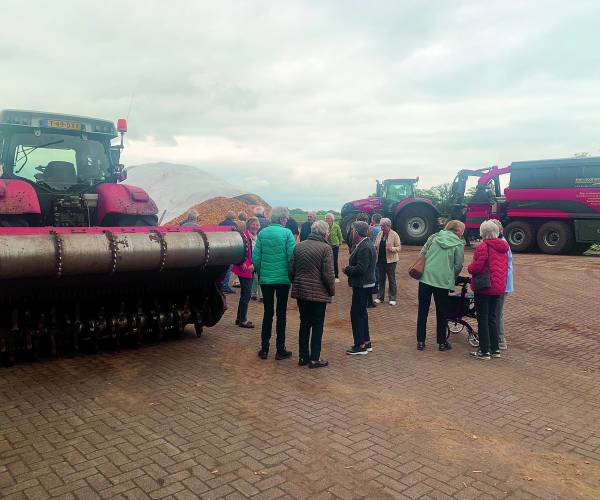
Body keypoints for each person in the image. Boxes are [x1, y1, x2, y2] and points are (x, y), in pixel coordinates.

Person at [289, 220, 335, 368]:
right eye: (327, 231)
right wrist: (331, 290)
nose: (328, 234)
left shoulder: (299, 246)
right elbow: (328, 274)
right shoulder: (325, 248)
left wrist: (296, 282)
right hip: (318, 293)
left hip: (301, 292)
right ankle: (315, 358)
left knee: (304, 323)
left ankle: (303, 357)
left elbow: (291, 271)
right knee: (317, 325)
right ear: (324, 232)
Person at [253, 206, 296, 360]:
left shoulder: (262, 233)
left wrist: (261, 272)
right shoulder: (287, 233)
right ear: (281, 219)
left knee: (268, 313)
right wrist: (291, 276)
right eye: (285, 218)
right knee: (281, 314)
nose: (286, 221)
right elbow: (292, 257)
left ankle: (264, 349)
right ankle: (280, 349)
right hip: (283, 280)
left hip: (266, 280)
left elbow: (256, 258)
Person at [415, 220, 465, 351]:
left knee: (422, 311)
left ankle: (421, 341)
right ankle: (442, 342)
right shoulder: (458, 244)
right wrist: (452, 277)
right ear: (458, 230)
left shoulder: (433, 237)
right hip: (443, 281)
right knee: (442, 312)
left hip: (426, 278)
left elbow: (422, 254)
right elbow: (458, 265)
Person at [468, 220, 509, 360]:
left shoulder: (483, 247)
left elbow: (476, 267)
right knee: (492, 318)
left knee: (483, 319)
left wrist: (469, 268)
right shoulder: (504, 247)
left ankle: (484, 350)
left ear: (483, 232)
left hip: (484, 287)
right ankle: (495, 348)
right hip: (498, 288)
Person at [343, 221, 376, 355]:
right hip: (364, 283)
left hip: (362, 284)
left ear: (357, 232)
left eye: (353, 230)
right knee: (361, 313)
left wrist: (347, 269)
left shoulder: (365, 246)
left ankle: (360, 345)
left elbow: (361, 268)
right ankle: (366, 342)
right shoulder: (365, 244)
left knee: (356, 314)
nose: (352, 232)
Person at [232, 217, 261, 328]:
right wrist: (243, 263)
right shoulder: (244, 236)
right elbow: (239, 249)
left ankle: (239, 318)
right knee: (246, 295)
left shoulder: (256, 237)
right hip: (244, 269)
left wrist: (254, 265)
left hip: (251, 268)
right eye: (253, 224)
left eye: (257, 225)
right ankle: (243, 320)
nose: (255, 226)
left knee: (245, 294)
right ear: (249, 225)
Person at [492, 219, 513, 350]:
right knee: (497, 312)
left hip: (501, 284)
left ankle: (500, 340)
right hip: (503, 283)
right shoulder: (502, 243)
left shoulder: (501, 244)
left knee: (497, 312)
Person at [373, 218, 401, 306]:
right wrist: (374, 247)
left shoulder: (394, 234)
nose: (382, 228)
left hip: (391, 261)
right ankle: (380, 297)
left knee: (391, 279)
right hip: (380, 260)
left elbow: (399, 248)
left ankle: (392, 298)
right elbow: (376, 244)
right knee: (381, 279)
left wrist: (392, 249)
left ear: (389, 226)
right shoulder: (380, 233)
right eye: (381, 226)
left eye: (383, 226)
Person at [219, 211, 237, 293]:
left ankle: (220, 284)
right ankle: (225, 286)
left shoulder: (221, 223)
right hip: (230, 248)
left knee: (222, 268)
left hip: (221, 248)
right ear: (232, 216)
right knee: (228, 268)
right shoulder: (233, 225)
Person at [325, 213, 343, 283]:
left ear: (332, 219)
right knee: (327, 261)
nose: (326, 220)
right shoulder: (324, 227)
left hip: (335, 246)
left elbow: (339, 235)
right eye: (326, 218)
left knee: (335, 261)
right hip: (327, 246)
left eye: (328, 218)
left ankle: (336, 276)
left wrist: (340, 243)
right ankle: (328, 276)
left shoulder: (336, 226)